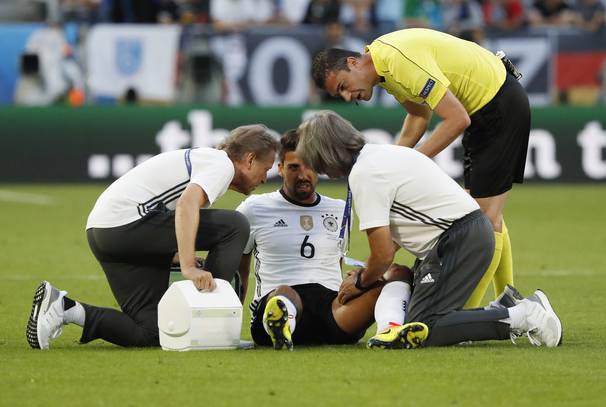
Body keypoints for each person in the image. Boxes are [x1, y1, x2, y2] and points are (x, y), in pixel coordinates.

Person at [296, 110, 562, 349]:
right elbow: (403, 231)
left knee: (425, 326)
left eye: (315, 162)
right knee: (417, 319)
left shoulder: (364, 173)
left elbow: (383, 254)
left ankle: (522, 315)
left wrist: (359, 282)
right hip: (464, 235)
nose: (319, 171)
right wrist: (370, 272)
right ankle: (504, 308)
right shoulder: (383, 154)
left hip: (458, 239)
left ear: (325, 154)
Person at [311, 28, 530, 308]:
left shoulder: (397, 62)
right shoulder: (385, 67)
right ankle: (510, 300)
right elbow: (418, 116)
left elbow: (456, 120)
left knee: (486, 217)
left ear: (353, 63)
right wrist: (393, 160)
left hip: (495, 105)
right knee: (485, 213)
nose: (346, 97)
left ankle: (464, 313)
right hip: (488, 105)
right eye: (338, 95)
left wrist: (407, 163)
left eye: (342, 86)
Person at [26, 125, 279, 349]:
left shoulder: (206, 160)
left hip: (103, 233)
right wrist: (189, 266)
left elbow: (165, 210)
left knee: (154, 332)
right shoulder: (221, 163)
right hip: (127, 224)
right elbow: (186, 205)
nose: (265, 178)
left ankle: (64, 308)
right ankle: (214, 328)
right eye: (265, 169)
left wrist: (175, 254)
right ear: (249, 159)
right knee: (235, 225)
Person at [236, 129, 416, 350]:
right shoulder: (254, 208)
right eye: (294, 167)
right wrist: (230, 324)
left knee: (399, 273)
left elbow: (336, 262)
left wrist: (360, 279)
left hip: (332, 310)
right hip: (276, 300)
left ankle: (389, 332)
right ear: (280, 169)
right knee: (285, 294)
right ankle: (281, 324)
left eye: (309, 167)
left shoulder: (341, 209)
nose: (303, 175)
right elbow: (240, 273)